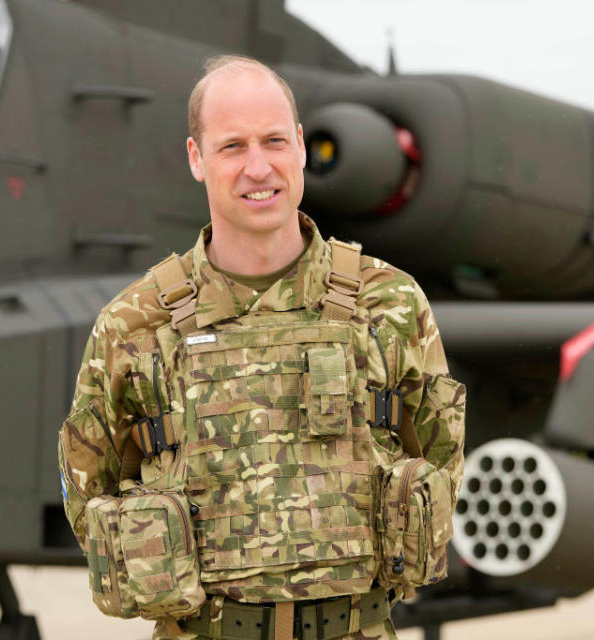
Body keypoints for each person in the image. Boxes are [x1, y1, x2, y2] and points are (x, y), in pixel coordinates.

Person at [58, 55, 465, 640]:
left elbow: (440, 453)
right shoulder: (134, 322)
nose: (258, 167)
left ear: (300, 146)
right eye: (232, 146)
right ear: (196, 158)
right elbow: (85, 484)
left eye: (274, 140)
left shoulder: (391, 303)